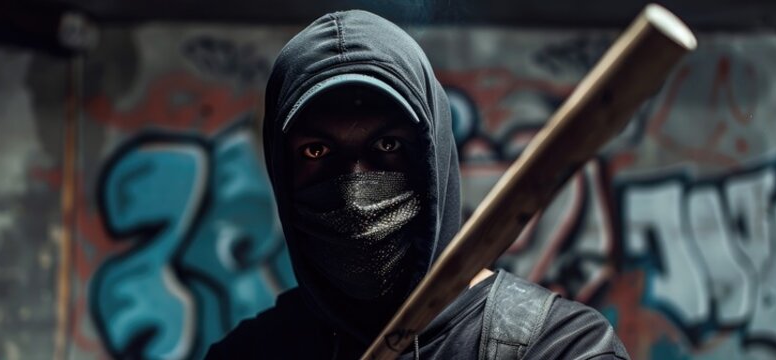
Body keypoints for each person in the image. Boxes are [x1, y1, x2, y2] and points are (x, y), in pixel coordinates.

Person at [206, 9, 629, 360]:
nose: (356, 189)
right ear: (282, 171)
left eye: (387, 145)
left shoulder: (559, 347)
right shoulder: (249, 353)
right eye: (317, 151)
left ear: (433, 159)